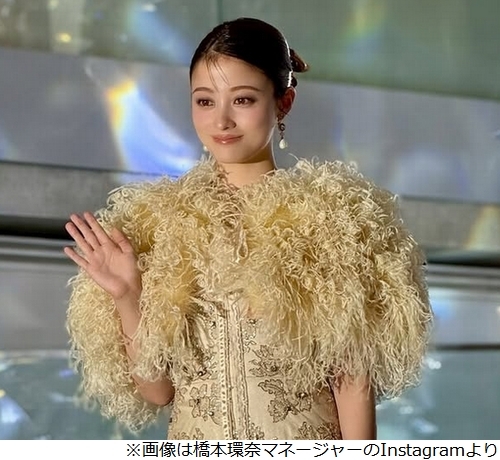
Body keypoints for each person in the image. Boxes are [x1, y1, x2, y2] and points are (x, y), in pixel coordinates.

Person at [65, 17, 432, 440]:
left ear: (283, 102)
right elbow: (158, 391)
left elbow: (353, 381)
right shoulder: (155, 226)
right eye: (205, 101)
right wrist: (128, 295)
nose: (221, 120)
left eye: (242, 100)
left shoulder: (333, 221)